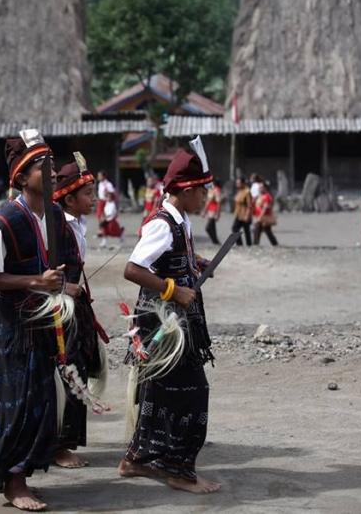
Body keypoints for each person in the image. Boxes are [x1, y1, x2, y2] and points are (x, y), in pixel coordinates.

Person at [0, 131, 79, 511]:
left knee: (41, 399)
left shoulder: (54, 215)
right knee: (16, 403)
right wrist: (37, 281)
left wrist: (65, 288)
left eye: (52, 163)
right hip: (14, 329)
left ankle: (26, 471)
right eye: (42, 165)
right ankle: (12, 481)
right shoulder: (5, 220)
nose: (52, 171)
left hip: (44, 323)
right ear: (21, 177)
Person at [118, 137, 221, 495]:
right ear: (186, 190)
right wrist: (173, 290)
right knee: (192, 393)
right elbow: (133, 269)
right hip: (162, 321)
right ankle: (178, 470)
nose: (206, 198)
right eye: (203, 191)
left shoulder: (182, 221)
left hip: (177, 320)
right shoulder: (163, 223)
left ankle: (136, 460)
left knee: (159, 393)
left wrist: (194, 265)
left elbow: (169, 261)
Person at [52, 156, 108, 470]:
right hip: (59, 311)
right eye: (88, 194)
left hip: (75, 307)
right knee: (66, 370)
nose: (94, 199)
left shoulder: (77, 223)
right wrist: (63, 288)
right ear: (69, 198)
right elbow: (40, 269)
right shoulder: (57, 225)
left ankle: (66, 442)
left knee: (79, 368)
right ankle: (58, 446)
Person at [231, 177, 253, 246]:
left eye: (238, 183)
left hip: (245, 214)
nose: (237, 184)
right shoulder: (239, 191)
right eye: (237, 183)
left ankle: (249, 245)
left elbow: (249, 205)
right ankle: (240, 244)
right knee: (235, 228)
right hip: (238, 214)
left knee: (246, 230)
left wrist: (247, 215)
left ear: (243, 183)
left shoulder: (247, 192)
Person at [204, 179, 222, 244]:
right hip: (210, 211)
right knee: (212, 227)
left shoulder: (217, 190)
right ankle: (215, 241)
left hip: (213, 211)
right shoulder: (211, 190)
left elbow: (219, 203)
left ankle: (215, 241)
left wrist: (218, 214)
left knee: (208, 228)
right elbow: (208, 201)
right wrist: (205, 211)